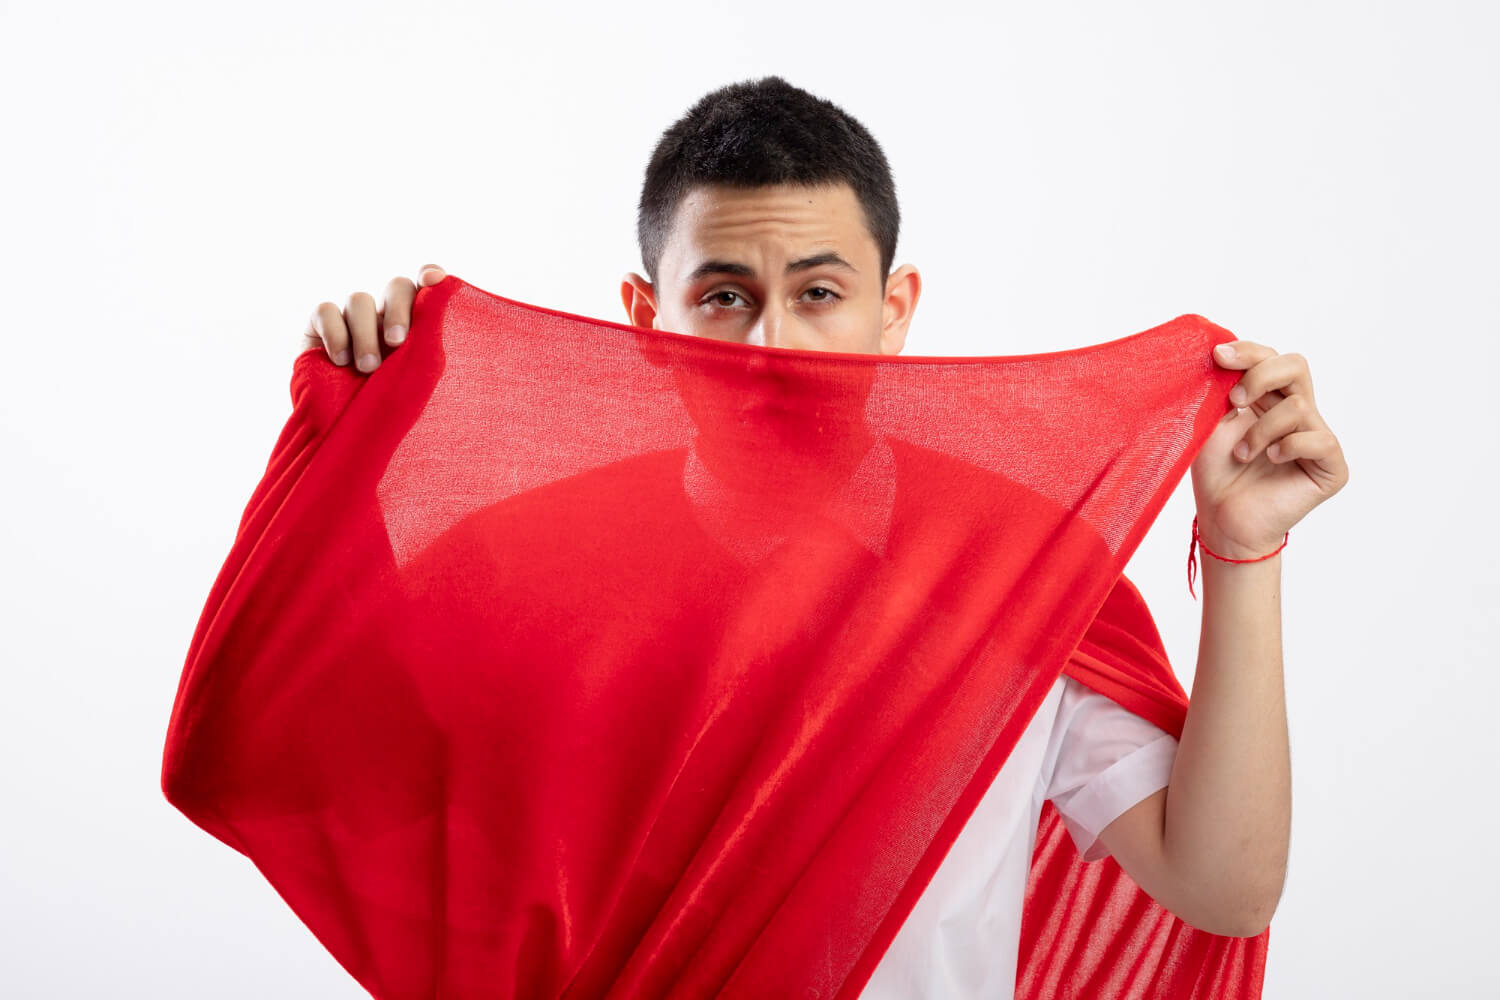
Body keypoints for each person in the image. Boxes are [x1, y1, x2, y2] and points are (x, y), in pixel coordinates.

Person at [295, 75, 1347, 997]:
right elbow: (348, 790)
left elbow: (1224, 889)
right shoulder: (528, 569)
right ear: (644, 318)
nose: (774, 345)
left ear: (894, 311)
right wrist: (356, 467)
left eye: (819, 293)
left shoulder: (1010, 569)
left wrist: (1243, 548)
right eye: (723, 296)